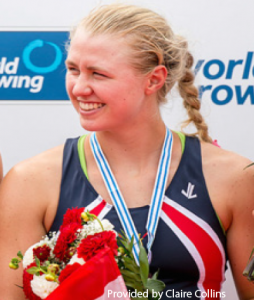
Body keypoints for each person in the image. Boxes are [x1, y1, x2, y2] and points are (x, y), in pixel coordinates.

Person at [0, 4, 254, 300]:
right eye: (73, 69)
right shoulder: (30, 182)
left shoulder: (233, 178)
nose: (79, 88)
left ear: (154, 79)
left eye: (98, 74)